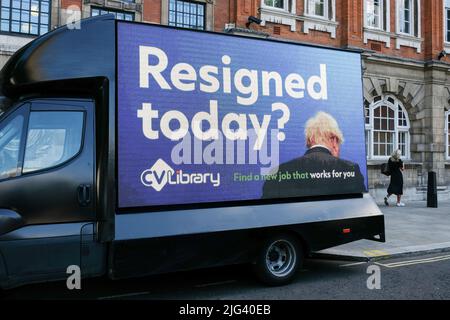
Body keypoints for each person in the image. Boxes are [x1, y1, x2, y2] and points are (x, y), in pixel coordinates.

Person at [261, 111, 366, 199]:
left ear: (310, 139)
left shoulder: (278, 172)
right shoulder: (350, 170)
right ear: (334, 140)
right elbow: (360, 208)